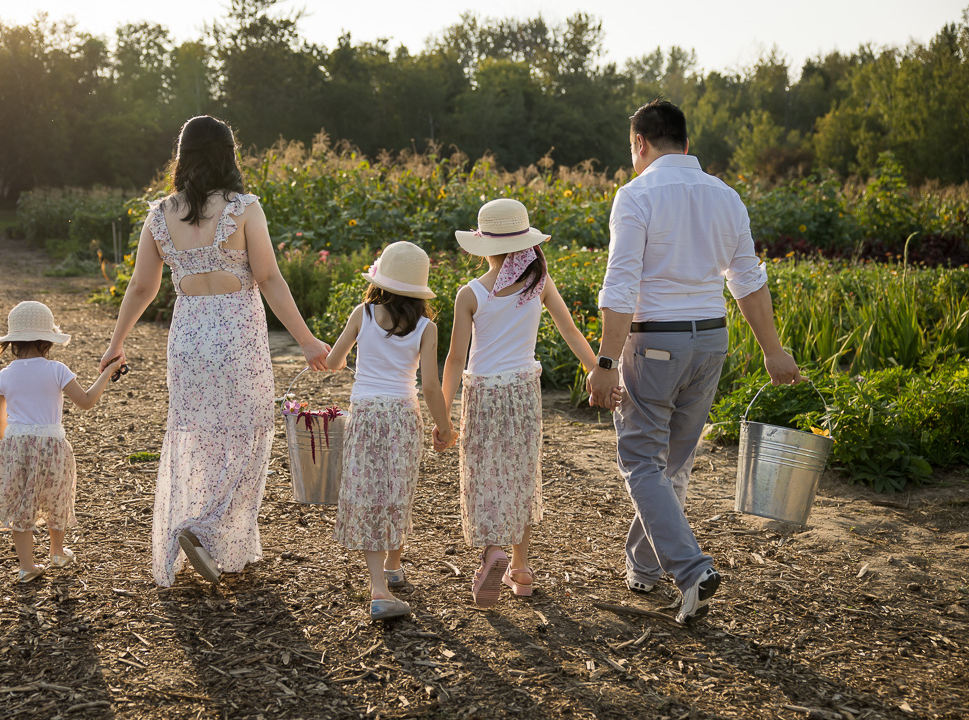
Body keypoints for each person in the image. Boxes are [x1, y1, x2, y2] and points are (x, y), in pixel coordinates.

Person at [587, 99, 803, 623]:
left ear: (640, 143)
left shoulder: (635, 196)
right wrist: (774, 350)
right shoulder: (726, 196)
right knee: (671, 463)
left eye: (631, 149)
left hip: (655, 342)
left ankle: (690, 570)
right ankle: (643, 565)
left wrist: (606, 362)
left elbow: (621, 285)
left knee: (642, 461)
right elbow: (748, 280)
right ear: (684, 142)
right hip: (711, 341)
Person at [100, 115, 330, 587]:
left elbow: (143, 286)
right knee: (248, 434)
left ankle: (202, 529)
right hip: (237, 338)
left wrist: (116, 342)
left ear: (181, 156)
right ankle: (204, 529)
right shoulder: (243, 208)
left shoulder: (160, 213)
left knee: (198, 436)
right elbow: (268, 279)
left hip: (188, 340)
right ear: (229, 154)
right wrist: (307, 341)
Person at [440, 198, 613, 608]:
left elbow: (453, 359)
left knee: (484, 476)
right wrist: (598, 368)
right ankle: (521, 568)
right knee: (520, 475)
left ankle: (491, 554)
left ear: (484, 245)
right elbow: (570, 331)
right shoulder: (540, 282)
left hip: (483, 395)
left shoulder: (471, 294)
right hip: (522, 392)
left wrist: (443, 414)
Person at [324, 241, 454, 621]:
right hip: (402, 413)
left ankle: (386, 576)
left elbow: (334, 362)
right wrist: (444, 426)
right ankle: (382, 587)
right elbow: (430, 386)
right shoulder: (426, 327)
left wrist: (337, 355)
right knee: (397, 489)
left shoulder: (362, 314)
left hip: (365, 412)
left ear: (379, 280)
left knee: (369, 491)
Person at [0, 301, 120, 583]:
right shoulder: (57, 370)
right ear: (47, 341)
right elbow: (87, 402)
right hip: (52, 445)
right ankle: (57, 552)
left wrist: (9, 444)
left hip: (16, 446)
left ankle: (27, 567)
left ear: (13, 342)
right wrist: (108, 372)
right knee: (57, 498)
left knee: (22, 505)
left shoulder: (5, 374)